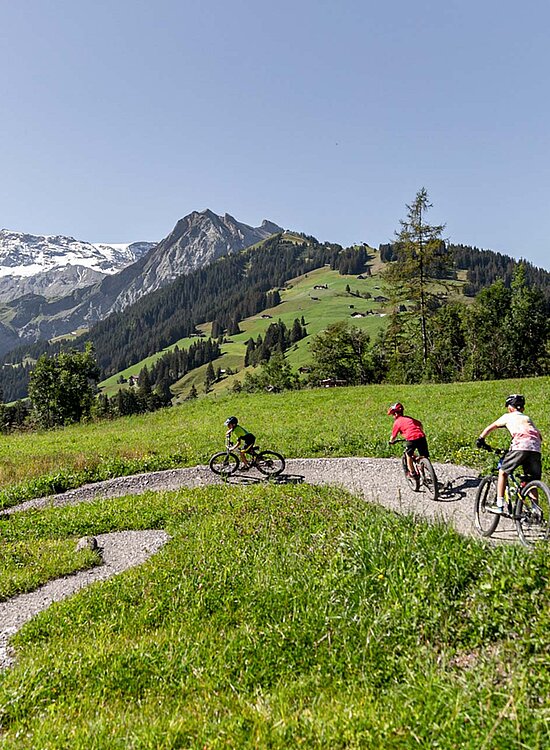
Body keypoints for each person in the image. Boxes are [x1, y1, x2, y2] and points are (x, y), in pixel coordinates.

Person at [476, 394, 542, 513]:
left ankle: (499, 505)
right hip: (536, 449)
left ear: (510, 407)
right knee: (531, 480)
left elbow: (491, 427)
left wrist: (480, 439)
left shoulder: (508, 416)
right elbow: (539, 436)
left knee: (503, 472)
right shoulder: (527, 418)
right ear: (522, 408)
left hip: (520, 447)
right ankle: (535, 511)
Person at [387, 402, 430, 476]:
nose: (393, 416)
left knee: (408, 454)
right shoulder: (409, 418)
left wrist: (391, 442)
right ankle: (431, 474)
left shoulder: (397, 422)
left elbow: (393, 436)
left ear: (396, 414)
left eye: (393, 415)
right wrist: (420, 431)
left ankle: (412, 473)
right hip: (421, 436)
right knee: (424, 456)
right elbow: (420, 424)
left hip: (411, 439)